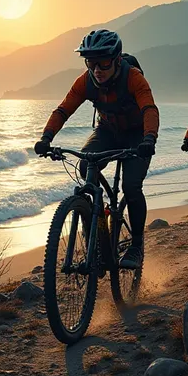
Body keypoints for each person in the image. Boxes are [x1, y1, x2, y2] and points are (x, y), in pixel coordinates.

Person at [34, 29, 159, 270]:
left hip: (137, 133)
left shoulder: (133, 78)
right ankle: (98, 233)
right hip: (108, 131)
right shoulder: (86, 81)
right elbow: (63, 110)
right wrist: (46, 137)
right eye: (91, 63)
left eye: (102, 62)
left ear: (117, 59)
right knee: (85, 167)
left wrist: (149, 139)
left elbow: (149, 109)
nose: (97, 70)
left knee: (131, 186)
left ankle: (136, 245)